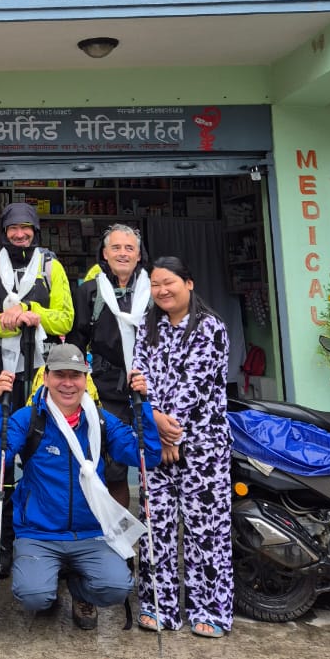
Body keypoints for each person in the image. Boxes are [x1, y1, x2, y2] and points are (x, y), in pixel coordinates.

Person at [0, 343, 160, 629]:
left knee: (117, 587)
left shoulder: (100, 420)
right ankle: (48, 584)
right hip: (39, 533)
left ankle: (79, 589)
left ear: (85, 380)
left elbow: (147, 455)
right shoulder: (30, 418)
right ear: (46, 377)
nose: (67, 383)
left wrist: (143, 405)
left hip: (90, 532)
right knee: (34, 596)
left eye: (75, 375)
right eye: (59, 375)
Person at [130, 256, 233, 638]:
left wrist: (172, 432)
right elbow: (138, 377)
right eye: (155, 285)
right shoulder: (147, 326)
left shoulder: (210, 327)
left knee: (206, 530)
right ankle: (160, 607)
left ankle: (212, 610)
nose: (162, 291)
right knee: (155, 526)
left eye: (168, 282)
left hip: (204, 446)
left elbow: (196, 385)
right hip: (156, 442)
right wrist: (156, 422)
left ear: (188, 283)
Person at [0, 202, 74, 574]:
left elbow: (65, 317)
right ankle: (2, 542)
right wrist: (6, 320)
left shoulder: (51, 266)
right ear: (4, 232)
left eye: (26, 228)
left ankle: (38, 541)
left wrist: (32, 312)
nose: (20, 234)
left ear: (35, 231)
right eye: (13, 228)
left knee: (39, 455)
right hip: (0, 374)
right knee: (0, 456)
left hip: (39, 374)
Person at [69, 224, 151, 509]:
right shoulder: (90, 292)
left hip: (151, 388)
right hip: (106, 389)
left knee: (154, 464)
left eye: (129, 248)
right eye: (115, 247)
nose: (122, 253)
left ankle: (154, 527)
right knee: (112, 467)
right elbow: (77, 342)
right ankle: (116, 532)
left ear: (139, 255)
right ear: (104, 253)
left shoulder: (154, 291)